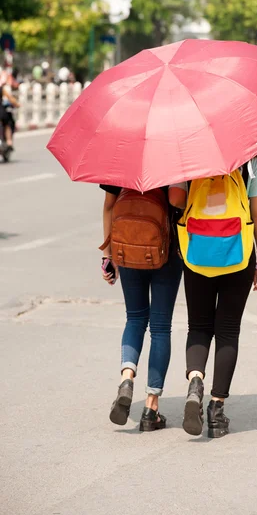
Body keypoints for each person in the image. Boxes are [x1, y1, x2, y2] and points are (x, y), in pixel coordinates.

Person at [181, 156, 257, 438]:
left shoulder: (187, 156)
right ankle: (216, 411)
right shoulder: (251, 162)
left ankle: (195, 380)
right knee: (228, 330)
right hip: (238, 253)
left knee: (198, 325)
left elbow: (175, 202)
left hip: (197, 252)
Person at [101, 183, 186, 431]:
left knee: (135, 318)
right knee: (160, 327)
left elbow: (108, 206)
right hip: (166, 250)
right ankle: (151, 408)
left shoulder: (122, 155)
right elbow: (178, 202)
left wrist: (108, 255)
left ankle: (127, 377)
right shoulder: (176, 157)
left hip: (126, 246)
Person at [0, 83, 19, 149]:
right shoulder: (1, 89)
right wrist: (17, 104)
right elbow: (10, 99)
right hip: (1, 112)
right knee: (7, 124)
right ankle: (9, 141)